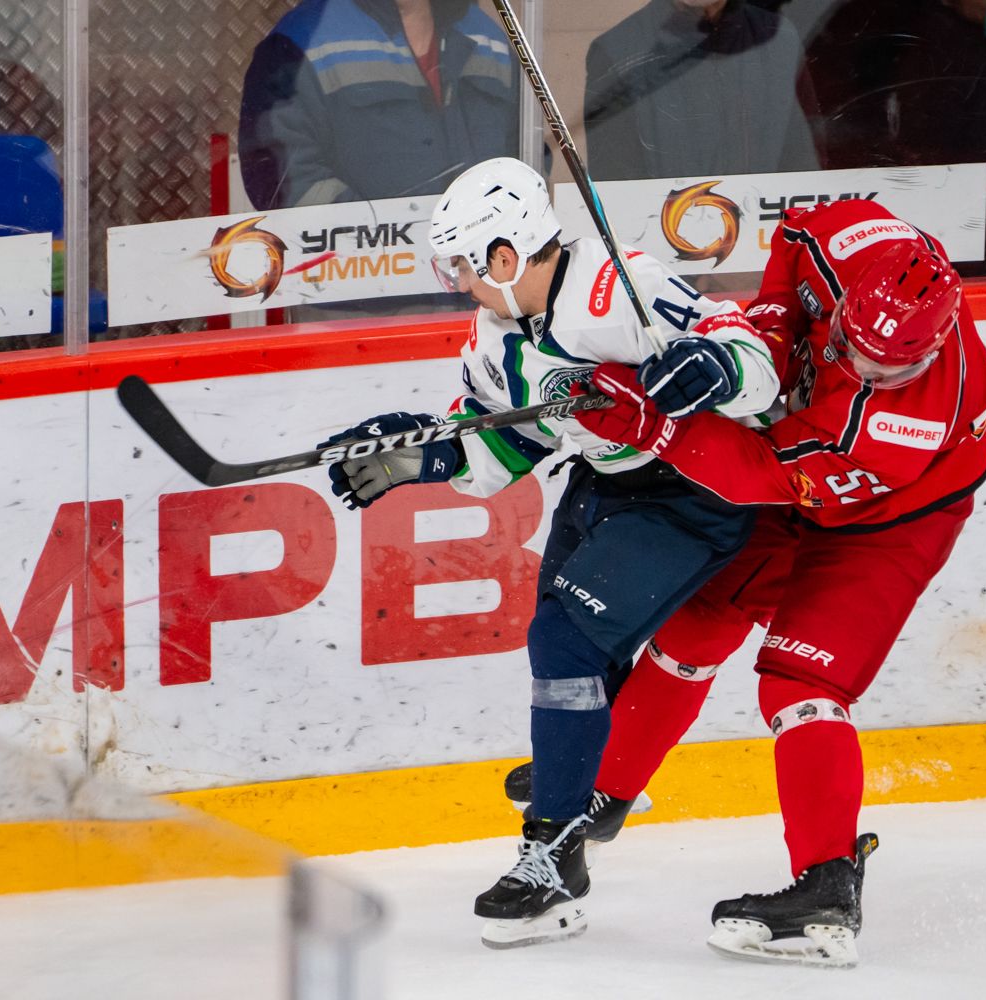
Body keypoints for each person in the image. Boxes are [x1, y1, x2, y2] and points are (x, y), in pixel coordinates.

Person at [318, 156, 781, 948]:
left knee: (564, 641)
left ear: (504, 256)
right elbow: (507, 445)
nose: (459, 282)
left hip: (692, 490)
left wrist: (715, 365)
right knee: (576, 658)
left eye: (465, 265)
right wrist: (414, 458)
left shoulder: (621, 289)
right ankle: (583, 784)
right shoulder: (494, 335)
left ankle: (554, 855)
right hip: (606, 484)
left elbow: (756, 365)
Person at [569, 198, 986, 967]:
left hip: (892, 517)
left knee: (800, 680)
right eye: (851, 347)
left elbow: (758, 473)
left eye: (887, 370)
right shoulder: (850, 238)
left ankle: (826, 890)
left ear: (930, 351)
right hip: (802, 468)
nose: (861, 370)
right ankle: (598, 793)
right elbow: (795, 238)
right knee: (700, 620)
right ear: (851, 300)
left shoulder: (896, 425)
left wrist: (652, 425)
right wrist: (761, 340)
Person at [237, 0, 518, 211]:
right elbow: (282, 180)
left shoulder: (491, 41)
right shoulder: (299, 41)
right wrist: (379, 241)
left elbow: (523, 156)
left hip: (479, 268)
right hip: (359, 267)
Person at [583, 0, 818, 181]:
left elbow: (802, 167)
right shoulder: (617, 52)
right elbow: (616, 195)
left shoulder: (779, 40)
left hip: (768, 226)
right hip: (667, 227)